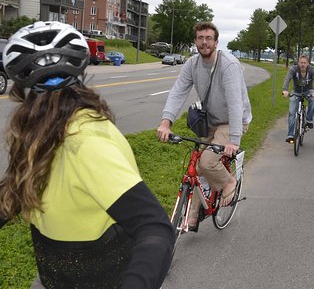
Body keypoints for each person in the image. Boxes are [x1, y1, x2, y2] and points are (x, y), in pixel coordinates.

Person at [0, 21, 174, 288]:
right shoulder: (40, 137)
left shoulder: (86, 143)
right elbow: (12, 193)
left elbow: (155, 227)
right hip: (55, 277)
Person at [157, 21, 252, 231]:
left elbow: (236, 105)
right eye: (200, 38)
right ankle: (192, 217)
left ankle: (228, 183)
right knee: (197, 167)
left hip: (233, 121)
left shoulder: (229, 65)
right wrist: (166, 122)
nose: (204, 42)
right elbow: (178, 92)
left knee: (208, 161)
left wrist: (234, 140)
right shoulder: (192, 64)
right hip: (211, 120)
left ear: (216, 42)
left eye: (209, 38)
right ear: (195, 41)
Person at [282, 55, 314, 143]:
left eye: (304, 63)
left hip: (308, 91)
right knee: (292, 113)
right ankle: (290, 135)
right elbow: (287, 78)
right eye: (301, 63)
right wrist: (285, 90)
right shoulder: (294, 69)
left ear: (308, 63)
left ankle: (309, 120)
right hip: (296, 92)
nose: (303, 64)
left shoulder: (312, 70)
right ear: (298, 63)